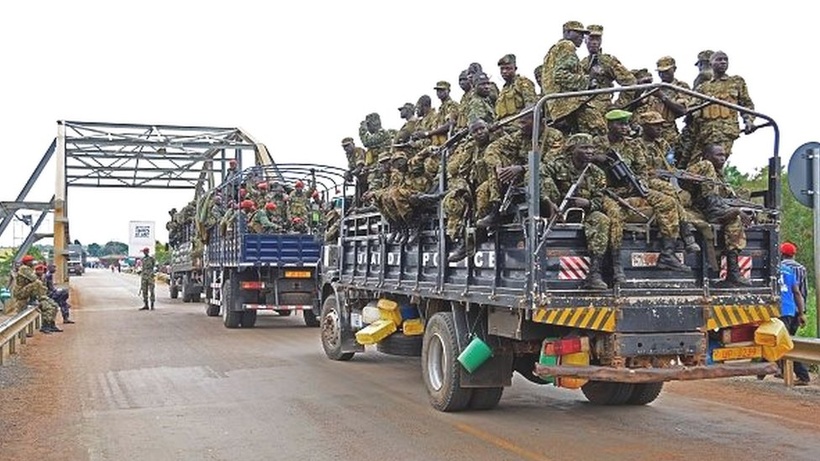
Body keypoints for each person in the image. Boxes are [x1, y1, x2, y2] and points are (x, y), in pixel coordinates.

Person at [688, 51, 755, 165]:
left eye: (725, 59)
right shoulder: (703, 87)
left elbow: (747, 105)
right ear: (711, 63)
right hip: (705, 134)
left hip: (725, 132)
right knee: (695, 167)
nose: (723, 62)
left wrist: (749, 121)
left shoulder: (736, 82)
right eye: (719, 60)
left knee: (715, 164)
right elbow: (693, 108)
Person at [541, 21, 606, 136]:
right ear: (566, 33)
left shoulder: (554, 50)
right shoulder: (567, 46)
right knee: (599, 130)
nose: (581, 37)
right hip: (570, 103)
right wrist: (589, 79)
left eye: (583, 34)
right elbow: (560, 75)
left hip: (559, 106)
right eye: (577, 33)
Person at [579, 25, 637, 115]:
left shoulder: (608, 61)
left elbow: (630, 82)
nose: (594, 42)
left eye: (597, 39)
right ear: (585, 41)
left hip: (603, 107)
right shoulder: (582, 63)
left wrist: (619, 106)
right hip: (583, 106)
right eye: (591, 39)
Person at [779, 242, 811, 385]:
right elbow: (801, 291)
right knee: (788, 339)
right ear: (794, 254)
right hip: (795, 309)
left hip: (782, 309)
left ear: (781, 254)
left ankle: (803, 375)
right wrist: (802, 312)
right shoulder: (801, 269)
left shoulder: (777, 269)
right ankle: (781, 371)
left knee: (786, 342)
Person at [495, 54, 538, 120]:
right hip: (505, 125)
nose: (504, 72)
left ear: (515, 69)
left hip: (519, 123)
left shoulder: (522, 83)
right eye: (502, 69)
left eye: (508, 68)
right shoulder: (503, 90)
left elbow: (531, 107)